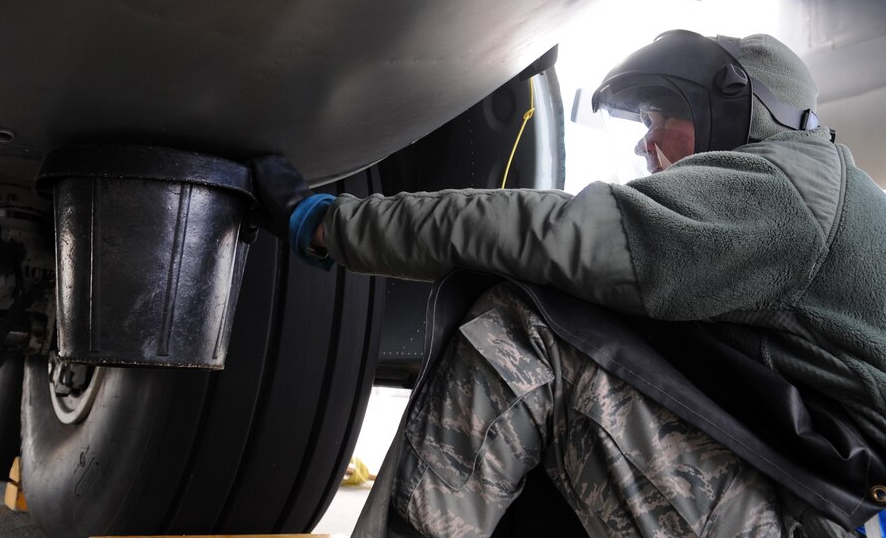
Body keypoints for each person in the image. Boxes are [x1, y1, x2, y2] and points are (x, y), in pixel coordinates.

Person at [251, 30, 886, 537]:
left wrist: (330, 224)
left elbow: (548, 233)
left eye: (657, 117)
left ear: (730, 107)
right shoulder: (819, 193)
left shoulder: (782, 193)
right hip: (798, 501)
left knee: (523, 327)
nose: (644, 144)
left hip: (798, 518)